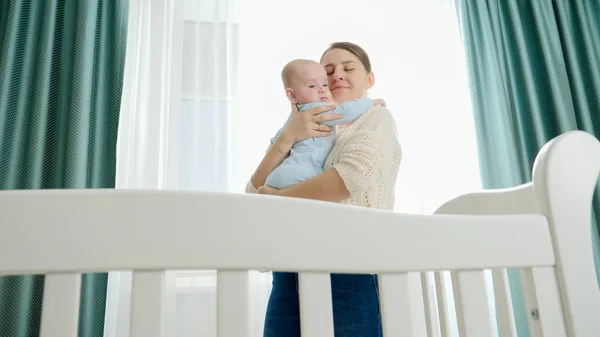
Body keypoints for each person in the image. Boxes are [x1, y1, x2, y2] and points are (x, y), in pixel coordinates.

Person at [245, 42, 402, 337]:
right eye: (327, 72)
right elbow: (253, 194)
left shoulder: (375, 119)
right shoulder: (302, 128)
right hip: (289, 268)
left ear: (370, 80)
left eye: (348, 67)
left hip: (347, 265)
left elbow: (353, 176)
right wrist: (287, 137)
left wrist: (280, 199)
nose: (337, 75)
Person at [266, 58, 385, 189]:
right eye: (312, 86)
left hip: (278, 175)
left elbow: (274, 144)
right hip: (300, 174)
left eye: (324, 85)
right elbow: (344, 111)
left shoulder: (295, 118)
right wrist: (370, 103)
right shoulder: (316, 110)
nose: (322, 90)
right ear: (292, 96)